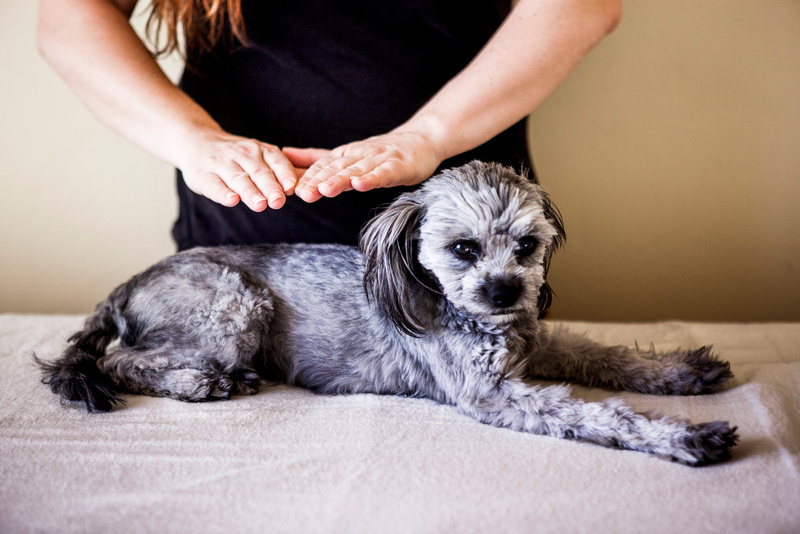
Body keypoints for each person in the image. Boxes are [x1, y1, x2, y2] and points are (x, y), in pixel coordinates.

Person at [37, 0, 621, 249]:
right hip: (243, 255)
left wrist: (428, 136)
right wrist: (194, 140)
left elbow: (581, 4)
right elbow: (68, 14)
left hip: (462, 255)